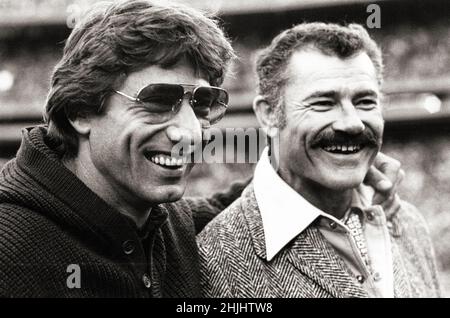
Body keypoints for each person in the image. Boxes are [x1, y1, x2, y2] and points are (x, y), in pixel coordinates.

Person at [0, 2, 402, 297]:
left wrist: (331, 160)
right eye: (158, 101)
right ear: (81, 110)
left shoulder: (158, 218)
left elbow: (235, 204)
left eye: (202, 104)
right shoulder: (12, 250)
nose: (190, 133)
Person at [197, 22, 441, 298]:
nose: (352, 124)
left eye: (365, 102)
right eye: (324, 103)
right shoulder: (218, 258)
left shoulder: (407, 223)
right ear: (269, 115)